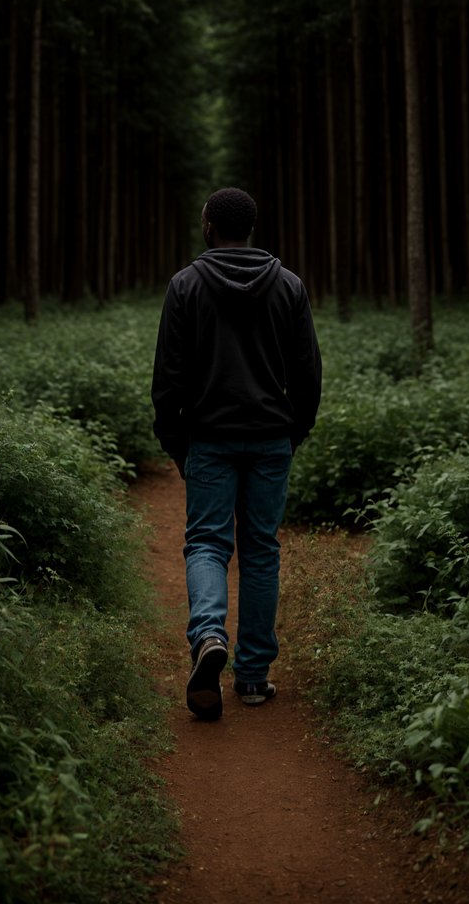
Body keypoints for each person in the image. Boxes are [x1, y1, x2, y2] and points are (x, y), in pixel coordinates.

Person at [150, 187, 322, 721]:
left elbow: (168, 378)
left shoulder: (185, 286)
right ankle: (252, 678)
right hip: (271, 437)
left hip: (210, 438)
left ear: (208, 225)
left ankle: (207, 637)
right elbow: (308, 373)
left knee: (206, 542)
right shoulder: (289, 285)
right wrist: (293, 431)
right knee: (261, 549)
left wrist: (177, 443)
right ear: (249, 226)